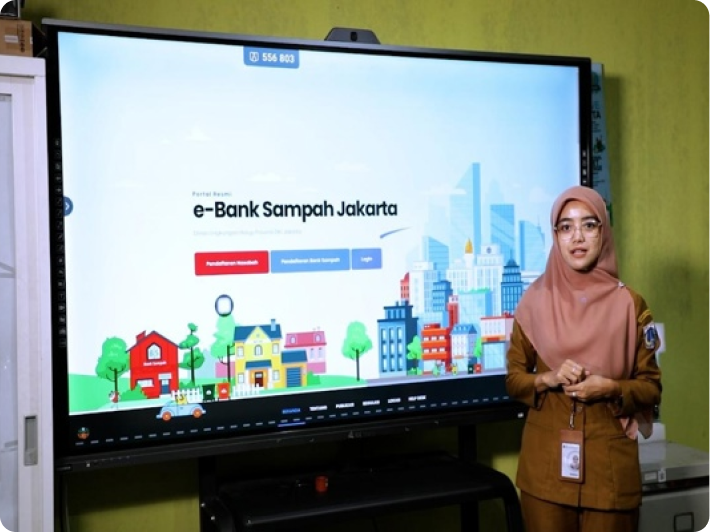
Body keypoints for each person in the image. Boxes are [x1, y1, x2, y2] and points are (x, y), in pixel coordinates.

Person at [505, 185, 662, 532]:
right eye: (566, 227)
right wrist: (547, 378)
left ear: (603, 232)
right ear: (556, 235)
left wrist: (612, 388)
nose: (577, 236)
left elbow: (652, 389)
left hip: (610, 471)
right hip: (545, 471)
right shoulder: (533, 303)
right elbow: (513, 381)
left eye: (588, 225)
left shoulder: (630, 305)